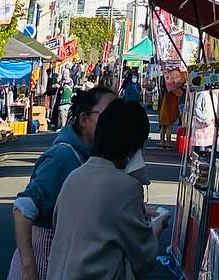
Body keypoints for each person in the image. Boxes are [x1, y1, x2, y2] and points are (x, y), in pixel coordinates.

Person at [47, 100, 162, 280]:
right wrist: (158, 226)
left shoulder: (74, 177)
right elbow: (143, 256)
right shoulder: (126, 187)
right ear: (134, 147)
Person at [10, 85, 116, 280]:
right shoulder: (63, 157)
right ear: (84, 119)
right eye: (109, 115)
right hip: (43, 264)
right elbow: (23, 210)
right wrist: (28, 268)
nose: (116, 122)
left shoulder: (93, 156)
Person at [156, 74, 180, 147]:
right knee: (169, 126)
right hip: (170, 108)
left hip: (164, 107)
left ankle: (162, 141)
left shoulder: (165, 88)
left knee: (163, 126)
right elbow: (180, 93)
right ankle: (167, 142)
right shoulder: (172, 88)